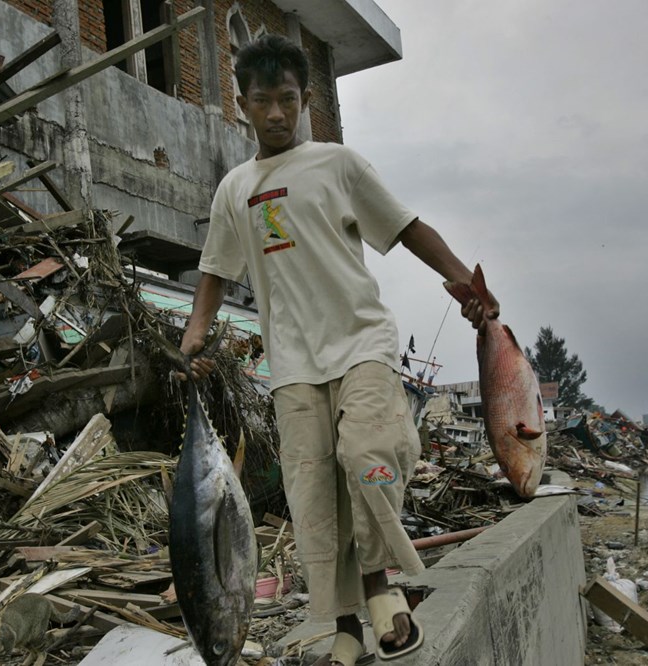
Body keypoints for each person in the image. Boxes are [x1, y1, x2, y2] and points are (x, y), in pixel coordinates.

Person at [179, 34, 498, 666]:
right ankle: (346, 627)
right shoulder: (234, 188)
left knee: (369, 456)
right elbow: (215, 269)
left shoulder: (337, 164)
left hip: (360, 342)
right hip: (291, 363)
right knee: (314, 493)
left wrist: (463, 280)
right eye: (263, 100)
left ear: (306, 103)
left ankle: (382, 592)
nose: (276, 113)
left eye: (288, 100)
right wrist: (196, 329)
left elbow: (407, 227)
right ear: (241, 103)